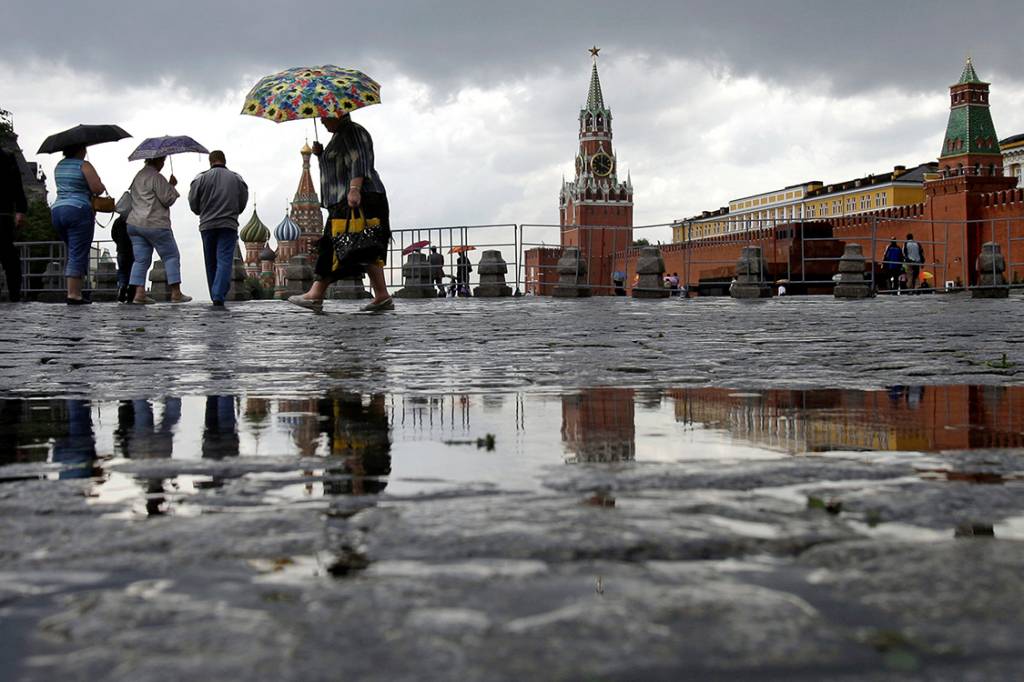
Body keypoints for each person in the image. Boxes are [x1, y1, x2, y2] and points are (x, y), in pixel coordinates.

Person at [289, 113, 393, 312]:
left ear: (336, 114)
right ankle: (382, 296)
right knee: (365, 246)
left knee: (333, 246)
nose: (321, 120)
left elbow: (358, 161)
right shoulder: (339, 136)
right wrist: (321, 155)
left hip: (357, 199)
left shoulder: (352, 131)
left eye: (324, 116)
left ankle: (316, 294)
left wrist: (354, 189)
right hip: (347, 200)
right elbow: (340, 165)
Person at [126, 156, 191, 304]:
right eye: (162, 161)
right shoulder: (156, 177)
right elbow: (167, 199)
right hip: (155, 223)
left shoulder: (137, 176)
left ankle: (139, 294)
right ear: (157, 161)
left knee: (140, 260)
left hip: (134, 223)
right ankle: (176, 293)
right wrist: (172, 186)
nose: (163, 164)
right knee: (171, 256)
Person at [188, 150, 249, 307]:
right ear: (224, 160)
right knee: (224, 260)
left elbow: (193, 203)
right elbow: (242, 202)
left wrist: (201, 211)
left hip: (207, 225)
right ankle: (218, 295)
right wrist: (233, 212)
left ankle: (214, 294)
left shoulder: (200, 178)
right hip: (228, 225)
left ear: (210, 161)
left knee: (210, 261)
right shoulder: (237, 178)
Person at [50, 145, 105, 304]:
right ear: (80, 150)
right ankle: (74, 294)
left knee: (73, 250)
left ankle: (77, 290)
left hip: (57, 211)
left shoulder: (59, 166)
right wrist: (101, 186)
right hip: (78, 209)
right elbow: (97, 188)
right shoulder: (84, 165)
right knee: (77, 251)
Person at [0, 145, 27, 301]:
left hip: (3, 212)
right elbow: (17, 186)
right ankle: (14, 293)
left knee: (8, 255)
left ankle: (15, 292)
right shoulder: (7, 157)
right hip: (4, 212)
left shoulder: (7, 158)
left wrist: (21, 209)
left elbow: (17, 186)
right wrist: (21, 210)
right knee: (8, 255)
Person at [110, 213, 135, 302]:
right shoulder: (134, 220)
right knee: (132, 272)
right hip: (132, 249)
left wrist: (119, 243)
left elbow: (113, 235)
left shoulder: (117, 221)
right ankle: (131, 293)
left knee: (122, 271)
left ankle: (122, 287)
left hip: (121, 250)